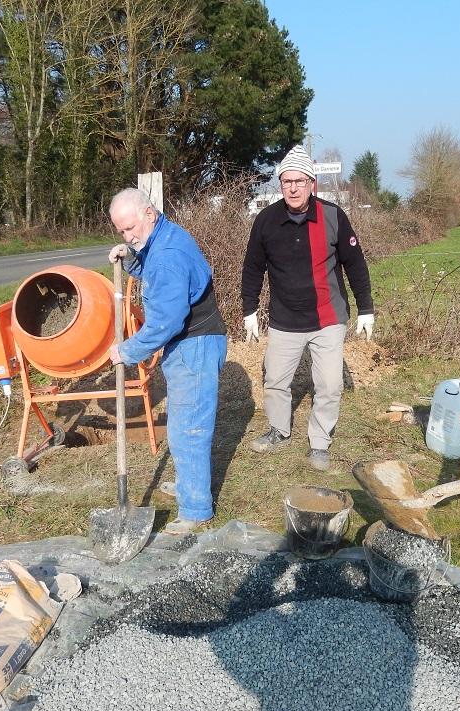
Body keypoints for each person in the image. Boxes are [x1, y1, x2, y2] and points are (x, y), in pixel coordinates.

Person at [241, 144, 374, 471]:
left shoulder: (332, 216)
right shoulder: (266, 221)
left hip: (328, 318)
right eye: (287, 182)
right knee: (274, 380)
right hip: (285, 320)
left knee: (329, 384)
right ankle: (278, 431)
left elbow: (355, 264)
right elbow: (252, 267)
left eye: (300, 181)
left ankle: (319, 443)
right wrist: (249, 310)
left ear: (312, 183)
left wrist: (366, 308)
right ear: (280, 184)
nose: (294, 188)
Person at [108, 188, 227, 535]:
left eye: (131, 228)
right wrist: (129, 256)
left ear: (149, 212)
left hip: (195, 344)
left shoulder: (168, 256)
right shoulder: (160, 238)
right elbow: (147, 262)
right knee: (180, 420)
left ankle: (195, 509)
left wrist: (127, 351)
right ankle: (190, 481)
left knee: (188, 429)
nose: (129, 235)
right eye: (121, 231)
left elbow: (165, 323)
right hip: (189, 342)